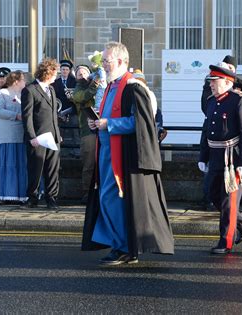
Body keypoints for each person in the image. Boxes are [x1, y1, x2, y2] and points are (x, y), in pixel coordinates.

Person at [81, 41, 174, 265]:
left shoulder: (133, 87)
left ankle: (123, 248)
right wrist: (98, 123)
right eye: (102, 60)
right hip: (106, 153)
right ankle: (119, 245)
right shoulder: (111, 86)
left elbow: (140, 122)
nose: (103, 64)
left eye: (107, 60)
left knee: (113, 200)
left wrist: (109, 124)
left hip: (122, 157)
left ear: (121, 61)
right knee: (106, 200)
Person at [198, 62, 242, 254]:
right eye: (211, 81)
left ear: (227, 82)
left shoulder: (239, 101)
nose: (212, 85)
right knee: (211, 193)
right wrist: (203, 156)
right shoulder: (212, 101)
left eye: (215, 81)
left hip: (232, 158)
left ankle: (226, 242)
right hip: (215, 156)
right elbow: (206, 130)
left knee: (228, 202)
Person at [21, 58, 61, 209]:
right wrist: (32, 137)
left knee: (52, 170)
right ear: (48, 72)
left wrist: (58, 134)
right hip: (38, 138)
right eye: (55, 72)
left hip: (53, 137)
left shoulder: (51, 89)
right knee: (35, 170)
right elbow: (27, 116)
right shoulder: (30, 90)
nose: (56, 75)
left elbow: (53, 114)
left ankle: (52, 199)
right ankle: (32, 198)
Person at [0, 71, 27, 203]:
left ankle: (20, 194)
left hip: (20, 135)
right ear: (16, 82)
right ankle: (3, 194)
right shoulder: (1, 93)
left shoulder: (23, 94)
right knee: (6, 164)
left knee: (19, 164)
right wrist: (16, 115)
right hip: (5, 136)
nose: (25, 83)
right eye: (23, 80)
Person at [70, 64, 98, 204]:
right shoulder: (77, 90)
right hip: (88, 131)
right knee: (89, 163)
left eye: (85, 73)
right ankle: (87, 193)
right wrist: (95, 85)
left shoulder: (99, 85)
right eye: (79, 74)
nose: (82, 76)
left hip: (104, 128)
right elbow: (83, 97)